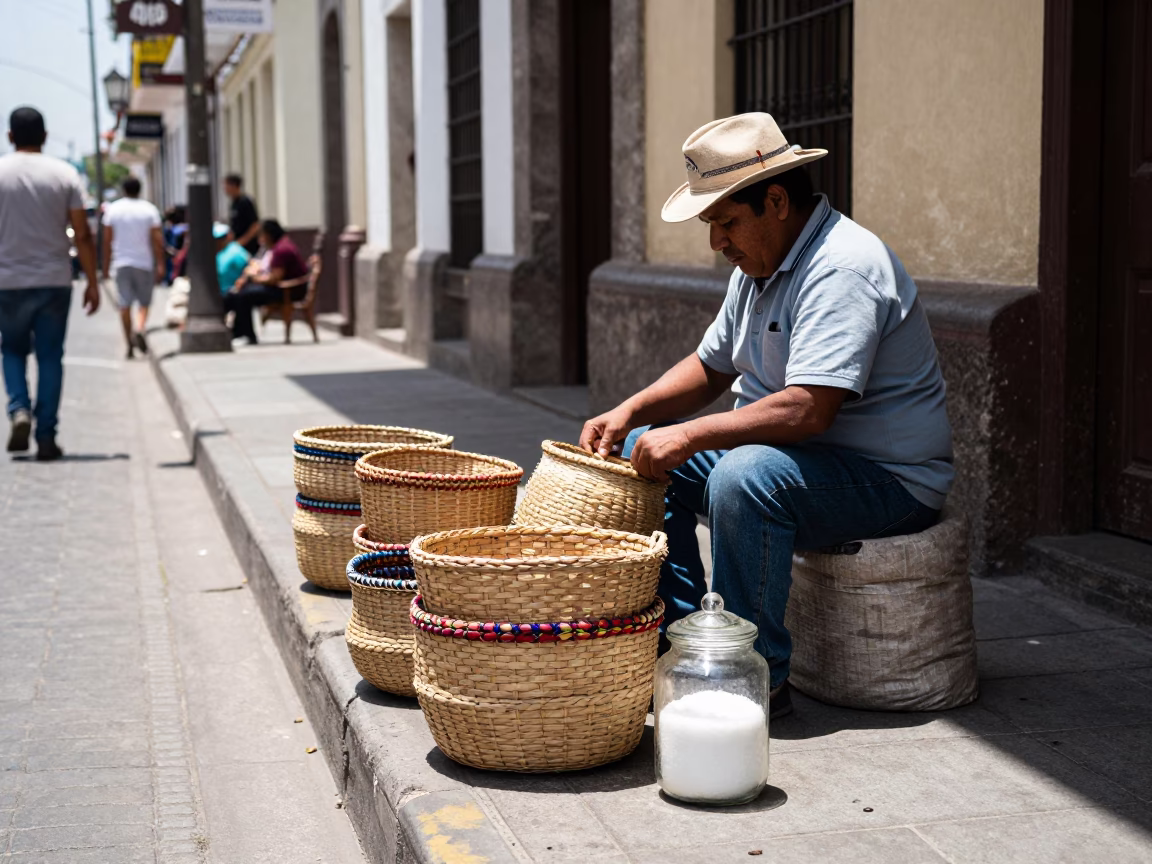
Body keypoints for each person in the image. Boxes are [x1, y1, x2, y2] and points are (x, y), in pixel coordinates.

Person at [579, 113, 953, 719]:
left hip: (888, 483)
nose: (716, 242)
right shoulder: (758, 266)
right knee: (643, 452)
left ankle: (752, 676)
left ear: (776, 200)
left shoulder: (842, 266)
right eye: (712, 225)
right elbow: (710, 366)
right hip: (800, 463)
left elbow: (808, 409)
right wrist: (630, 412)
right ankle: (679, 643)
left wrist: (692, 433)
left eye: (726, 222)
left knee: (743, 477)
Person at [0, 106, 100, 461]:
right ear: (44, 136)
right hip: (54, 279)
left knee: (10, 350)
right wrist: (92, 281)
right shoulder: (64, 174)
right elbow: (83, 234)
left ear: (10, 136)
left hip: (7, 281)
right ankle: (46, 436)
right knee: (50, 356)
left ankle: (19, 409)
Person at [102, 177, 163, 358]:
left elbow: (107, 240)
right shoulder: (149, 209)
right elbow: (157, 240)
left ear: (123, 190)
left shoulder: (113, 210)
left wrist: (105, 266)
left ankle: (129, 342)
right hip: (144, 262)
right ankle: (139, 327)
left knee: (124, 304)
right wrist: (160, 263)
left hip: (120, 262)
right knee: (144, 302)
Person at [224, 219, 307, 344]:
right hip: (281, 288)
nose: (260, 239)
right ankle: (237, 331)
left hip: (288, 291)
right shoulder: (276, 247)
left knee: (244, 297)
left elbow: (274, 278)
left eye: (261, 235)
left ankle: (247, 334)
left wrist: (254, 279)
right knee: (235, 296)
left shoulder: (281, 250)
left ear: (269, 234)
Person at [223, 173, 260, 255]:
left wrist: (242, 241)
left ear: (234, 186)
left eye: (226, 185)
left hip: (248, 248)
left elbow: (255, 226)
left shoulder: (245, 202)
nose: (224, 188)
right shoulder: (233, 203)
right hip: (237, 247)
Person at [213, 222, 250, 294]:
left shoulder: (236, 250)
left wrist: (242, 280)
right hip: (219, 294)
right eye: (217, 239)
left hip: (232, 294)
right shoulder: (218, 253)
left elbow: (250, 266)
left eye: (222, 238)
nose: (219, 241)